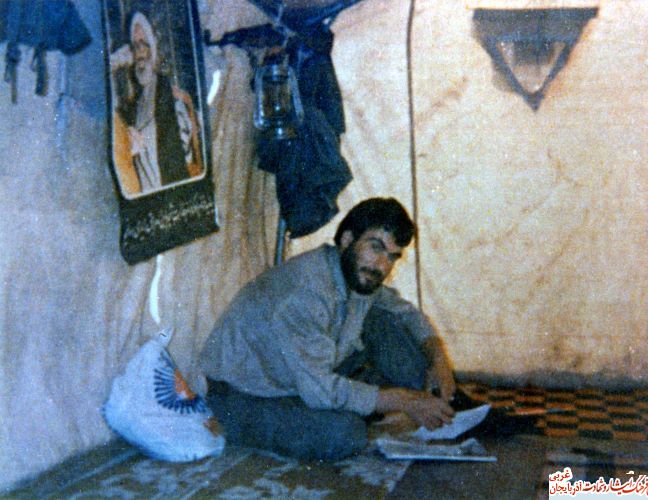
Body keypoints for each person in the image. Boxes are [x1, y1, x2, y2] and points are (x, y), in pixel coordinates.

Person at [199, 197, 457, 460]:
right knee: (344, 434)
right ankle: (234, 426)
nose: (382, 266)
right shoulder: (307, 291)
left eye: (392, 256)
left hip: (305, 376)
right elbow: (320, 390)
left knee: (388, 320)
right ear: (347, 239)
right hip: (247, 394)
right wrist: (401, 400)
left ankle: (433, 404)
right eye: (376, 247)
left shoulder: (357, 273)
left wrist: (438, 360)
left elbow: (406, 313)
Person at [109, 12, 202, 196]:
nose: (140, 52)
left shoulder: (170, 95)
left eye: (144, 43)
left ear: (153, 48)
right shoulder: (134, 105)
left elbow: (185, 162)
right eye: (135, 46)